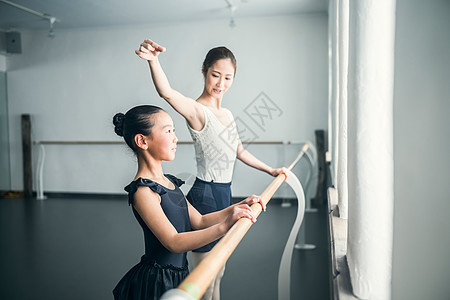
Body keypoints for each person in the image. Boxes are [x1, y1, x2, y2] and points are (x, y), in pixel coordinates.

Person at [135, 39, 285, 300]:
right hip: (204, 197)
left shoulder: (226, 113)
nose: (221, 83)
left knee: (219, 275)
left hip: (225, 194)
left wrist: (270, 170)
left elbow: (239, 151)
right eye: (216, 75)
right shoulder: (197, 110)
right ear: (204, 70)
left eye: (228, 78)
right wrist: (153, 61)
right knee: (205, 280)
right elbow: (167, 93)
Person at [112, 105, 265, 300]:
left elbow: (199, 220)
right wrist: (225, 226)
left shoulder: (168, 181)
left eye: (174, 130)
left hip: (179, 275)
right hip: (158, 281)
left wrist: (239, 206)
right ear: (142, 141)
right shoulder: (143, 191)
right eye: (168, 131)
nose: (175, 138)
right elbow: (174, 242)